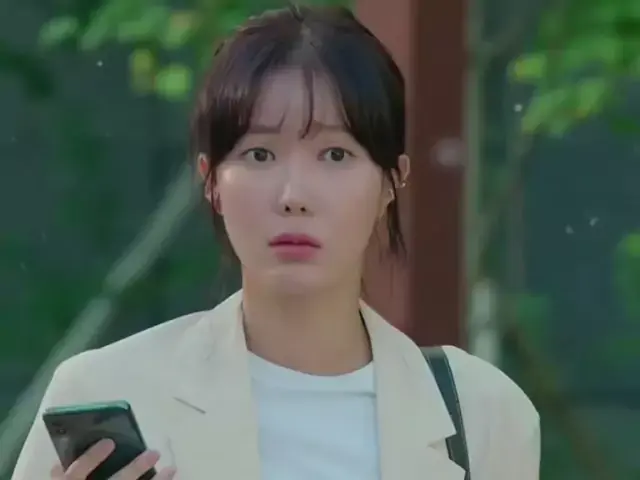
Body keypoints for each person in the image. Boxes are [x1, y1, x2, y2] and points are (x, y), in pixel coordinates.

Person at [11, 4, 540, 480]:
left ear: (391, 182)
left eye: (335, 155)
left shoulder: (482, 412)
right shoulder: (108, 391)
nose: (294, 196)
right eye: (259, 155)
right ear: (211, 181)